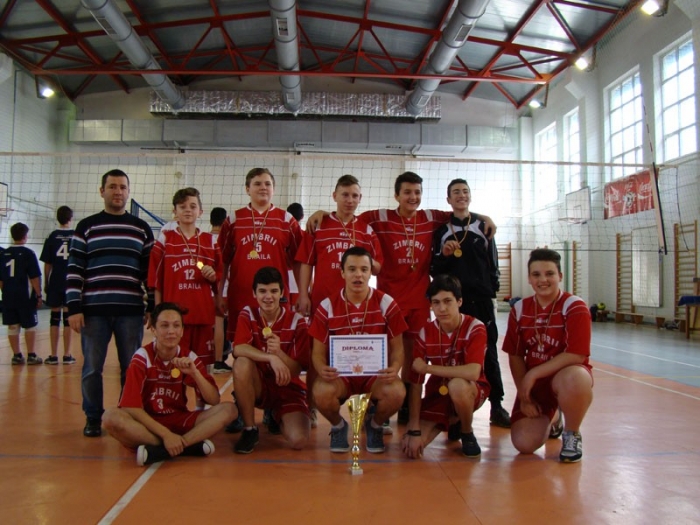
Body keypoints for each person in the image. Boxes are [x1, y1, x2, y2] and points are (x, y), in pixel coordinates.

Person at [307, 171, 496, 425]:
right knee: (384, 351)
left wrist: (484, 217)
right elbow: (347, 214)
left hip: (418, 299)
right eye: (407, 192)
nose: (412, 197)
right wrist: (320, 213)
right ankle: (375, 403)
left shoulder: (430, 217)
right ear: (396, 195)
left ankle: (405, 403)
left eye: (417, 192)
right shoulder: (380, 217)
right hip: (388, 301)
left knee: (411, 353)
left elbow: (460, 211)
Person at [66, 169, 155, 438]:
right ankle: (93, 417)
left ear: (128, 192)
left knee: (131, 367)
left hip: (130, 311)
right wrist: (74, 307)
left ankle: (127, 414)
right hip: (94, 311)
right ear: (102, 191)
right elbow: (74, 269)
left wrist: (152, 306)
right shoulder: (86, 226)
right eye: (113, 186)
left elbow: (149, 273)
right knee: (92, 368)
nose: (118, 192)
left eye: (123, 187)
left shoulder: (141, 228)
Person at [102, 302, 237, 466]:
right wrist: (166, 435)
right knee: (110, 417)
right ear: (154, 330)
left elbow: (214, 399)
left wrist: (195, 373)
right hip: (148, 423)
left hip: (178, 420)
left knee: (230, 409)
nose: (171, 331)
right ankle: (187, 446)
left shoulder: (188, 357)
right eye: (164, 326)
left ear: (182, 331)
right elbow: (130, 407)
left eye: (176, 326)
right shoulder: (142, 357)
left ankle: (166, 448)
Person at [309, 246, 406, 454]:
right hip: (341, 376)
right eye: (352, 269)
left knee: (397, 392)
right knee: (320, 391)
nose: (358, 275)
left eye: (364, 269)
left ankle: (375, 425)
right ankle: (338, 426)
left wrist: (395, 367)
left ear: (371, 273)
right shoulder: (327, 306)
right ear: (342, 273)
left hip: (374, 376)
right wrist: (321, 367)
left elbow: (398, 349)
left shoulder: (386, 303)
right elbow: (317, 353)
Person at [430, 179, 510, 429]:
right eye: (456, 192)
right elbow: (434, 269)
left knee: (489, 352)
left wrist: (491, 292)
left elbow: (493, 263)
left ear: (470, 196)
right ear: (448, 199)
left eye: (465, 191)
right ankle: (453, 409)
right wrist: (444, 255)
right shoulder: (441, 232)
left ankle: (496, 405)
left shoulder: (483, 226)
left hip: (481, 301)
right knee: (453, 353)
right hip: (455, 304)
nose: (461, 195)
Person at [502, 248, 593, 463]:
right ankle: (554, 417)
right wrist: (525, 396)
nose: (543, 280)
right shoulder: (520, 309)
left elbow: (576, 355)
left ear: (560, 276)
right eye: (536, 274)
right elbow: (515, 355)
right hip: (538, 385)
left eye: (549, 274)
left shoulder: (574, 306)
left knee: (576, 378)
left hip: (564, 377)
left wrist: (533, 373)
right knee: (524, 444)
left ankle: (571, 433)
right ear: (529, 278)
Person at [402, 275, 490, 459]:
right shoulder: (425, 332)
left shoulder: (475, 327)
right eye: (436, 303)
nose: (442, 308)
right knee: (413, 446)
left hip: (470, 390)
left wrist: (428, 369)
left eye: (447, 301)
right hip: (438, 392)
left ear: (459, 301)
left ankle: (466, 431)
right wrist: (414, 427)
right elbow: (416, 383)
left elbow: (473, 372)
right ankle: (453, 421)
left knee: (457, 386)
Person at [217, 168, 303, 342]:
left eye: (267, 184)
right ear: (247, 189)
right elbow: (222, 261)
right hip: (241, 295)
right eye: (257, 184)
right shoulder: (234, 220)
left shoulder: (286, 220)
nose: (263, 187)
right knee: (242, 348)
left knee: (277, 345)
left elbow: (299, 262)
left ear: (274, 189)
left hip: (275, 297)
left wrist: (303, 293)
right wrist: (219, 294)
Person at [232, 267, 311, 454]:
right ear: (254, 293)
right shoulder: (248, 313)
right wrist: (271, 357)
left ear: (282, 292)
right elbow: (238, 348)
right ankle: (250, 429)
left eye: (274, 291)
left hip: (287, 387)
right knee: (241, 363)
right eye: (262, 291)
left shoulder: (296, 321)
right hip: (259, 385)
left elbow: (296, 369)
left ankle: (276, 415)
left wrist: (280, 354)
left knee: (298, 440)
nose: (268, 297)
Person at [148, 188, 221, 375]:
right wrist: (157, 312)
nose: (188, 210)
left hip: (202, 315)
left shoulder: (210, 241)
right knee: (174, 369)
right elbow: (156, 280)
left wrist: (213, 276)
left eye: (193, 206)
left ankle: (202, 395)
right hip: (174, 319)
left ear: (200, 211)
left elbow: (220, 278)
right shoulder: (166, 239)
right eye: (182, 206)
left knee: (202, 370)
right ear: (175, 211)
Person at [295, 175, 383, 319]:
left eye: (355, 196)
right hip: (322, 300)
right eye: (345, 195)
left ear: (360, 198)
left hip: (356, 303)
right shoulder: (318, 225)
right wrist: (303, 294)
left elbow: (377, 269)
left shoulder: (366, 231)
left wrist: (366, 260)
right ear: (335, 196)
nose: (350, 200)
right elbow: (306, 262)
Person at [0, 222, 43, 366]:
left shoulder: (3, 254)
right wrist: (39, 295)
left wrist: (5, 292)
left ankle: (17, 356)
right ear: (25, 236)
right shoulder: (28, 253)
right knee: (30, 325)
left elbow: (1, 280)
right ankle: (31, 355)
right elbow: (34, 277)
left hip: (8, 295)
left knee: (12, 325)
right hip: (25, 296)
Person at [40, 206, 76, 365]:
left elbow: (47, 264)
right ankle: (67, 355)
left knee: (54, 318)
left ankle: (53, 355)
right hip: (71, 282)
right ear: (71, 218)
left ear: (57, 218)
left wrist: (46, 282)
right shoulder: (76, 236)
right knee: (68, 319)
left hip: (56, 280)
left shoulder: (52, 236)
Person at [210, 206, 233, 374]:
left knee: (211, 325)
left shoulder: (203, 238)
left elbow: (199, 264)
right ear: (225, 221)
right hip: (223, 288)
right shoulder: (224, 240)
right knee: (220, 324)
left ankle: (210, 358)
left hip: (207, 288)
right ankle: (218, 361)